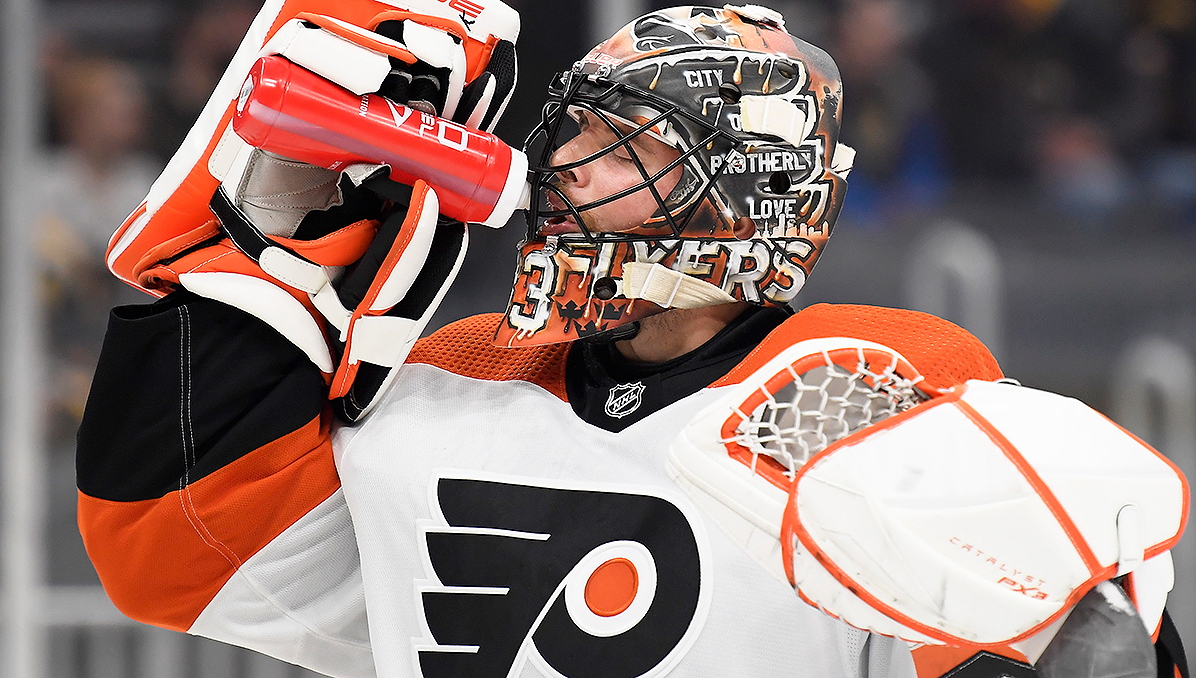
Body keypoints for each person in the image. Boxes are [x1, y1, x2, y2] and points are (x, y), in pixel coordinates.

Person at [76, 3, 1187, 678]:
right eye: (572, 135)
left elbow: (1026, 648)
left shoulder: (876, 389)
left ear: (744, 195)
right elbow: (168, 545)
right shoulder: (453, 383)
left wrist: (1093, 636)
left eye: (624, 147)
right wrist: (272, 241)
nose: (564, 169)